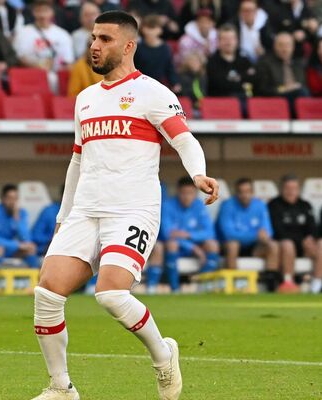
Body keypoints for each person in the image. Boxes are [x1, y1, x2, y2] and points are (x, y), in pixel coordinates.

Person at [30, 11, 219, 400]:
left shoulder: (153, 92)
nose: (95, 46)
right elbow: (77, 162)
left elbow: (184, 140)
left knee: (111, 294)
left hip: (132, 209)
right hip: (85, 210)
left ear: (129, 46)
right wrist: (63, 217)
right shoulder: (84, 99)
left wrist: (198, 174)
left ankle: (163, 355)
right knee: (47, 293)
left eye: (105, 39)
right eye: (93, 39)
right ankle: (60, 388)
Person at [158, 177, 220, 292]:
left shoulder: (199, 205)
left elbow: (210, 232)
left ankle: (202, 287)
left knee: (213, 244)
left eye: (190, 193)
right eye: (183, 193)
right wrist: (193, 248)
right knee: (172, 244)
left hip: (194, 245)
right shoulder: (168, 206)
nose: (187, 197)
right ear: (178, 192)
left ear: (195, 193)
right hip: (177, 248)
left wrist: (188, 235)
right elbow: (167, 234)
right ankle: (174, 289)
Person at [268, 175, 322, 294]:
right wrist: (301, 240)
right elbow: (278, 231)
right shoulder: (274, 205)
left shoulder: (305, 205)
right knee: (288, 244)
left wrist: (311, 238)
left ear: (299, 189)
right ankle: (288, 282)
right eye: (287, 188)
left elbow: (313, 227)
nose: (291, 192)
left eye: (294, 188)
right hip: (284, 245)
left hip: (304, 246)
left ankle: (316, 285)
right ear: (281, 189)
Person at [217, 178, 279, 272]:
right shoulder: (227, 205)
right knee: (233, 245)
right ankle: (234, 282)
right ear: (236, 193)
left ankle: (270, 281)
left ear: (252, 192)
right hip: (230, 247)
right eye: (241, 192)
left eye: (247, 191)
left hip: (254, 247)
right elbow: (229, 234)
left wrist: (263, 236)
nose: (244, 195)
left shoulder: (260, 205)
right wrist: (255, 235)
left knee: (273, 245)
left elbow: (268, 231)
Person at [13, 0, 74, 93]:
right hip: (32, 77)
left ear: (52, 12)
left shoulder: (63, 34)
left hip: (57, 76)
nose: (42, 15)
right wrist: (38, 66)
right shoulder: (23, 33)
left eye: (45, 11)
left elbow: (69, 61)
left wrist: (57, 68)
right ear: (33, 12)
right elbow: (20, 58)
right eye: (39, 11)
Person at [0, 184, 40, 272]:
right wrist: (17, 245)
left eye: (15, 198)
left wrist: (17, 219)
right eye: (9, 198)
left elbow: (26, 239)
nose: (12, 202)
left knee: (31, 249)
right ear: (3, 199)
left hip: (11, 251)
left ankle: (36, 281)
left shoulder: (21, 213)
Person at [255, 32, 308, 115]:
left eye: (287, 45)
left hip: (299, 100)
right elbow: (263, 89)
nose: (284, 49)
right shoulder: (266, 64)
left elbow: (303, 84)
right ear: (275, 47)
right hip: (277, 100)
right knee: (302, 92)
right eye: (281, 45)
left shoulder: (299, 65)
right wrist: (285, 89)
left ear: (293, 47)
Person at [206, 24, 255, 98]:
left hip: (243, 101)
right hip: (220, 103)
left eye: (231, 38)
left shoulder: (245, 60)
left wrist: (229, 81)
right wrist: (241, 79)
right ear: (218, 42)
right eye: (225, 39)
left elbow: (253, 80)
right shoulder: (211, 62)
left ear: (237, 41)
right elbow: (217, 85)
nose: (228, 42)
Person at [134, 14, 179, 93]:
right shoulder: (138, 48)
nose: (151, 31)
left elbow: (169, 68)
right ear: (143, 29)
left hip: (158, 86)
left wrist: (174, 83)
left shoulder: (165, 49)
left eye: (153, 28)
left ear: (160, 30)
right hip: (139, 86)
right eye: (148, 27)